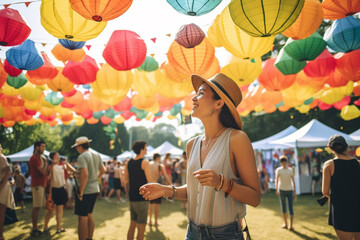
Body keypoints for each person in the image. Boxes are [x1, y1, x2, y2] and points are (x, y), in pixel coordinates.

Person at [140, 73, 261, 239]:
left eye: (201, 93)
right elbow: (196, 191)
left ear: (219, 103)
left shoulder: (237, 139)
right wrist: (166, 190)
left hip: (225, 235)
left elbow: (254, 198)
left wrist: (222, 183)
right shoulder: (192, 144)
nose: (194, 98)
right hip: (192, 232)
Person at [322, 135, 360, 240]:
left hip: (340, 209)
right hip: (357, 207)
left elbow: (325, 192)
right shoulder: (358, 163)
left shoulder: (329, 165)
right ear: (346, 146)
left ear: (330, 148)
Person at [72, 137, 106, 240]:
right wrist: (95, 179)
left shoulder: (82, 156)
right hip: (94, 188)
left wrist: (81, 192)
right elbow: (103, 170)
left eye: (76, 146)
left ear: (79, 146)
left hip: (85, 190)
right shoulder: (96, 154)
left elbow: (85, 174)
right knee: (89, 215)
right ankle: (89, 238)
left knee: (82, 217)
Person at [124, 141, 153, 240]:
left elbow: (126, 180)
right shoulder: (145, 162)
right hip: (142, 197)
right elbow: (150, 180)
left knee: (132, 223)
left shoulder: (128, 162)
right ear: (141, 149)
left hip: (132, 197)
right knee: (141, 228)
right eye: (146, 147)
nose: (147, 149)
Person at [47, 152, 76, 234]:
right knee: (57, 209)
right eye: (57, 155)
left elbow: (71, 170)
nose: (58, 156)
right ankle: (58, 227)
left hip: (62, 188)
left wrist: (66, 163)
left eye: (58, 155)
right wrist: (52, 166)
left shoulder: (62, 166)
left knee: (60, 209)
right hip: (55, 189)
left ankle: (59, 227)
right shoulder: (51, 166)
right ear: (53, 157)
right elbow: (48, 178)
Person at [29, 140, 48, 237]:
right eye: (42, 146)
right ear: (37, 147)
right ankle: (34, 229)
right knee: (36, 207)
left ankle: (35, 228)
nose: (44, 148)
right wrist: (46, 163)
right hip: (37, 185)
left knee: (38, 207)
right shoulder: (34, 158)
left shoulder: (39, 158)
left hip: (40, 185)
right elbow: (43, 172)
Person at [148, 153, 171, 226]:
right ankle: (156, 221)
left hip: (149, 185)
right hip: (157, 186)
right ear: (158, 157)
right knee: (157, 205)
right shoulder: (160, 165)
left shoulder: (149, 164)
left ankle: (150, 220)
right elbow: (166, 176)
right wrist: (171, 184)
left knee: (150, 205)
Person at [275, 155, 296, 231]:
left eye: (284, 161)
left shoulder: (290, 170)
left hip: (289, 190)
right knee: (284, 207)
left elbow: (293, 181)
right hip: (282, 190)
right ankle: (286, 224)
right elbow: (276, 180)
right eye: (282, 162)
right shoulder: (279, 170)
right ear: (280, 162)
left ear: (286, 162)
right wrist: (277, 189)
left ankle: (291, 225)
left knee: (290, 208)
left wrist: (295, 191)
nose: (283, 163)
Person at [0, 144, 15, 240]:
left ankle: (0, 235)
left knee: (1, 213)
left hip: (2, 187)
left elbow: (8, 171)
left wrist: (1, 185)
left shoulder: (1, 157)